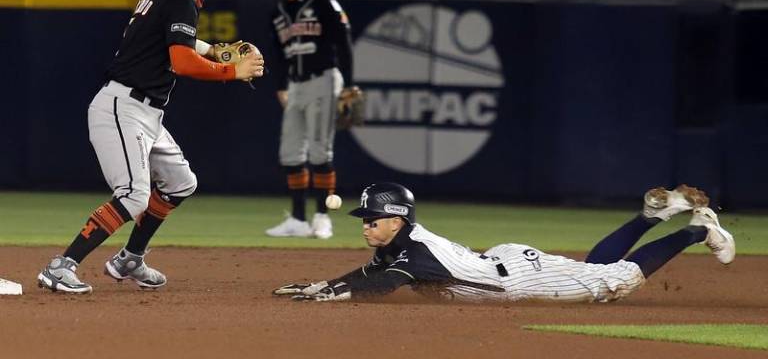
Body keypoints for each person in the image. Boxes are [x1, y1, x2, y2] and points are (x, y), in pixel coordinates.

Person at [37, 0, 264, 294]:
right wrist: (229, 71)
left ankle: (130, 258)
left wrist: (212, 51)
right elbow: (181, 61)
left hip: (145, 112)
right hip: (123, 106)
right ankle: (62, 266)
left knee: (180, 183)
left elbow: (173, 41)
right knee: (133, 195)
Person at [274, 182, 736, 302]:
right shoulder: (401, 244)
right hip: (502, 260)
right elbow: (370, 274)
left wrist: (333, 295)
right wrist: (324, 285)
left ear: (397, 220)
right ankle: (648, 216)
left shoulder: (413, 253)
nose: (366, 225)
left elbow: (380, 286)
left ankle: (701, 230)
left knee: (617, 281)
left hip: (520, 278)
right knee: (592, 272)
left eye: (373, 218)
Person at [264, 0, 356, 240]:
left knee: (320, 151)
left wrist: (349, 85)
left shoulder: (324, 4)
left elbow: (344, 43)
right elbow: (280, 55)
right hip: (296, 85)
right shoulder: (278, 11)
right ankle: (298, 219)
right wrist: (281, 85)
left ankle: (322, 217)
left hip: (324, 79)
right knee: (290, 153)